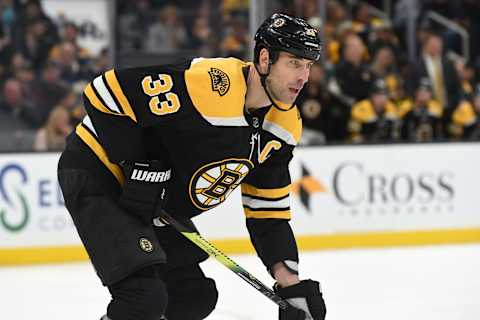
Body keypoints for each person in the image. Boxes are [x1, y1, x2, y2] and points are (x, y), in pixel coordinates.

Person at [57, 13, 326, 320]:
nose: (304, 76)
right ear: (264, 59)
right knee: (142, 299)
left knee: (193, 297)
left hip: (156, 203)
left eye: (308, 65)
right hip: (99, 173)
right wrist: (138, 164)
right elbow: (104, 91)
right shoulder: (211, 85)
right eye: (294, 63)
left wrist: (290, 281)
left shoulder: (284, 126)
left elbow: (268, 211)